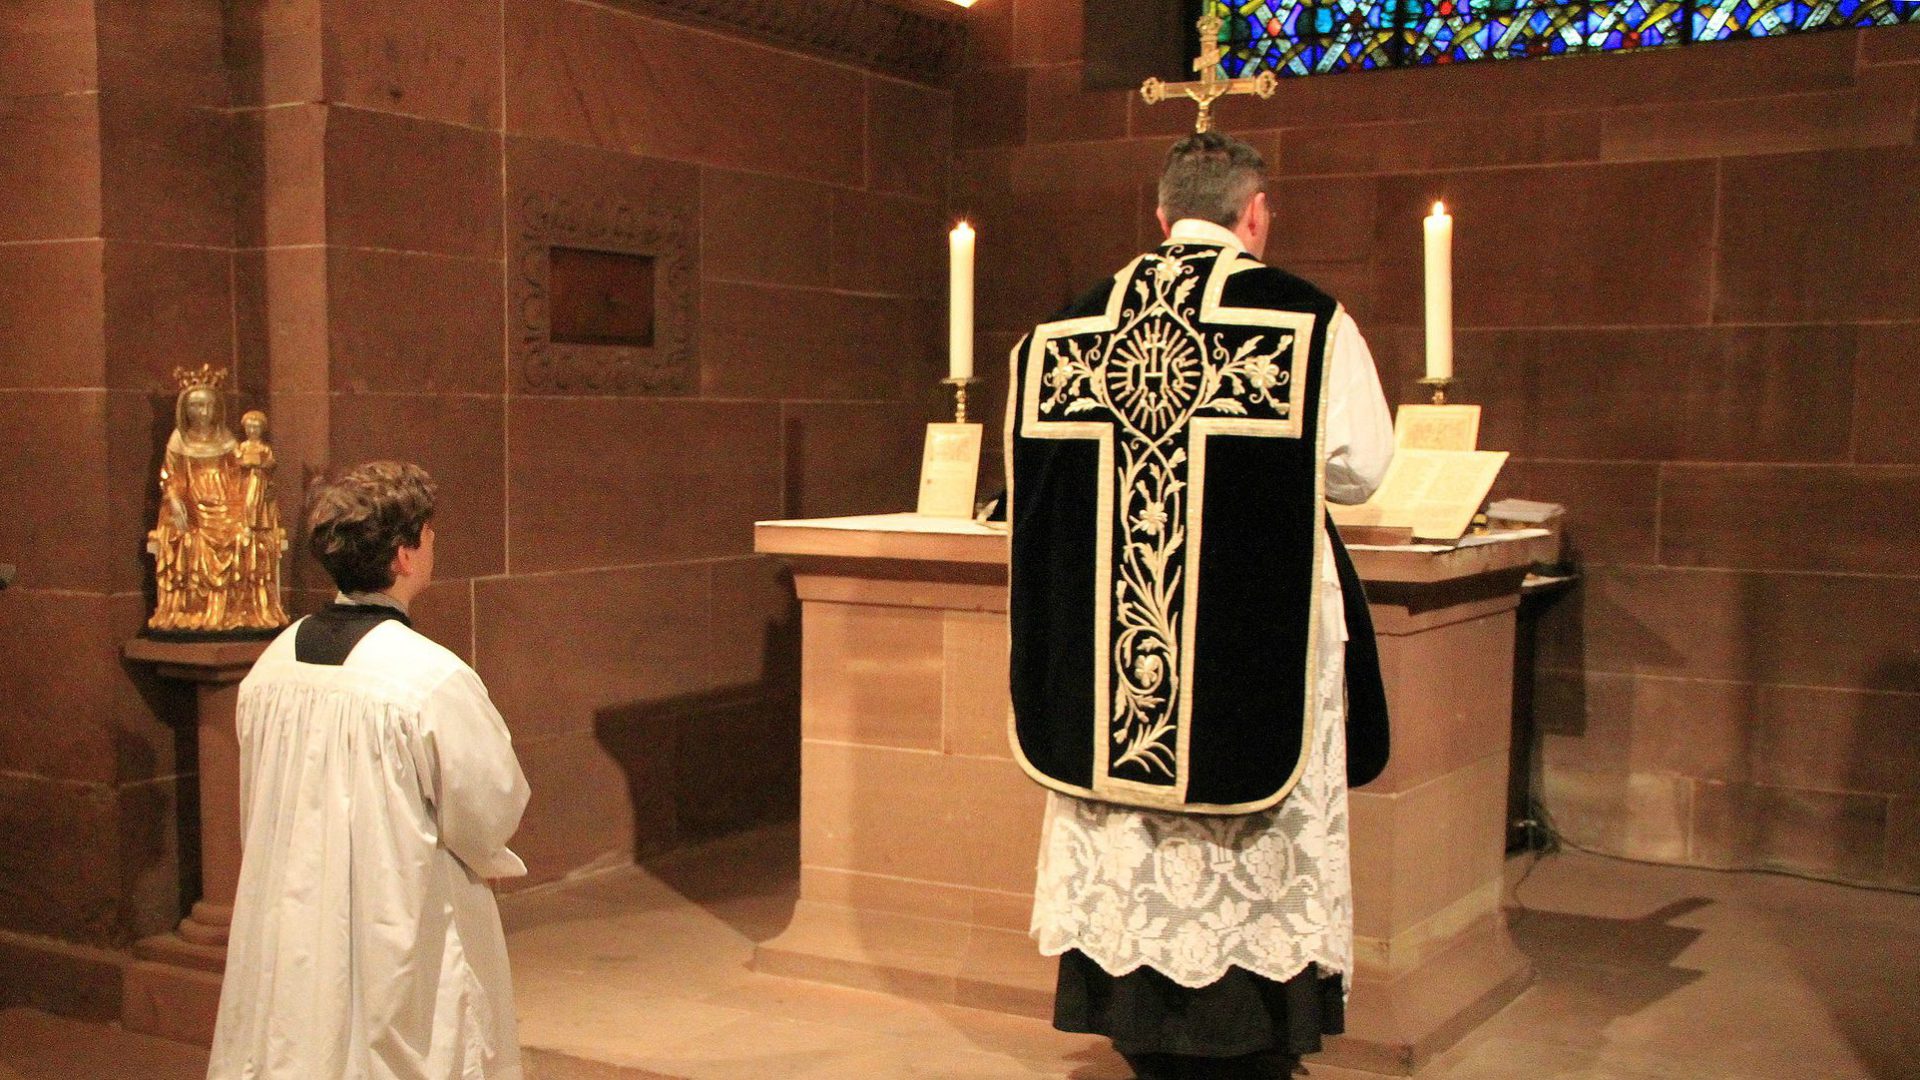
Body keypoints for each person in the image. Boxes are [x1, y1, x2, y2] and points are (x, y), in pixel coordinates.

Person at [1006, 131, 1395, 1080]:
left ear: (1160, 214)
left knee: (1133, 846)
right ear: (1253, 213)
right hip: (1246, 661)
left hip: (1108, 668)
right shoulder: (1307, 322)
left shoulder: (1063, 332)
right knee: (1253, 843)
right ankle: (1258, 1040)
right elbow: (1361, 471)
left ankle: (1136, 1026)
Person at [207, 461, 531, 1080]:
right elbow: (490, 807)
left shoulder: (275, 662)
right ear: (404, 556)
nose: (434, 544)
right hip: (403, 918)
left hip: (294, 914)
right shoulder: (428, 677)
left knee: (298, 1044)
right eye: (428, 533)